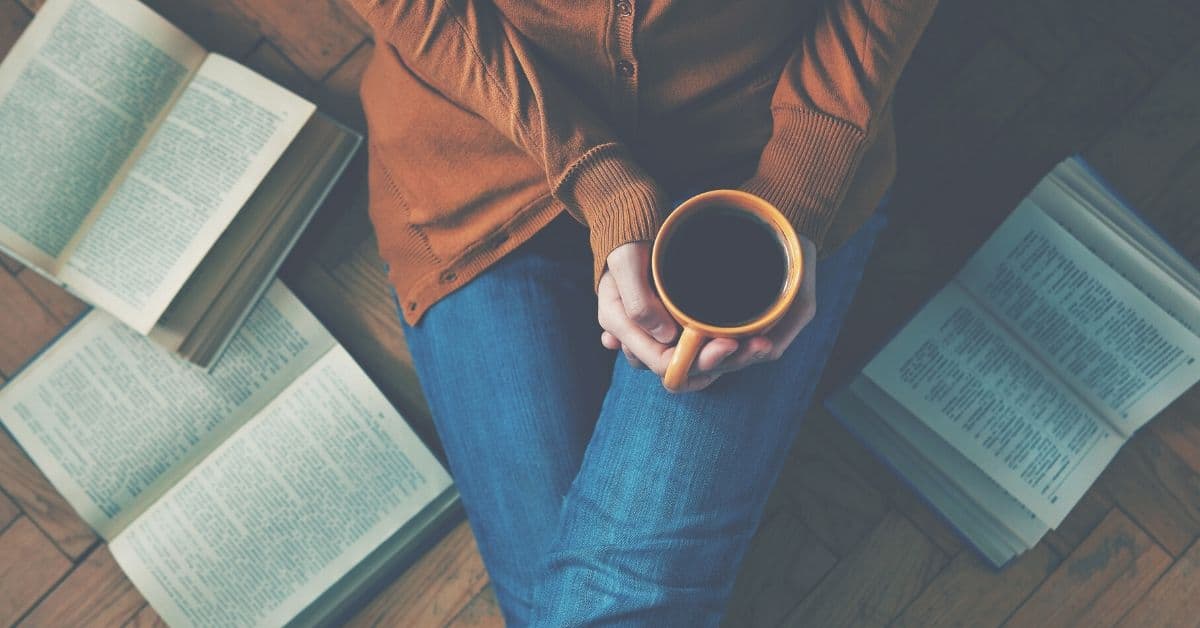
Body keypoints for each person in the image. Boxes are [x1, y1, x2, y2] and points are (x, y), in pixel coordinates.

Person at [347, 0, 939, 624]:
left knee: (611, 597)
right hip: (479, 148)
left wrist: (792, 200)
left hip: (755, 156)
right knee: (604, 601)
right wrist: (601, 183)